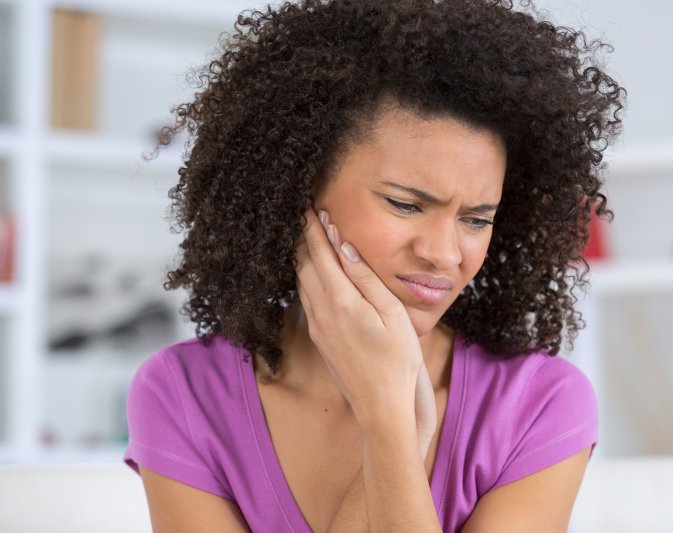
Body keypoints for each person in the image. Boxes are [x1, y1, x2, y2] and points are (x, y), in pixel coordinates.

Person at [123, 0, 624, 531]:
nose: (445, 253)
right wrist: (395, 419)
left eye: (476, 220)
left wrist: (385, 420)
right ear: (297, 192)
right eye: (406, 205)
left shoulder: (539, 404)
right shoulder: (183, 394)